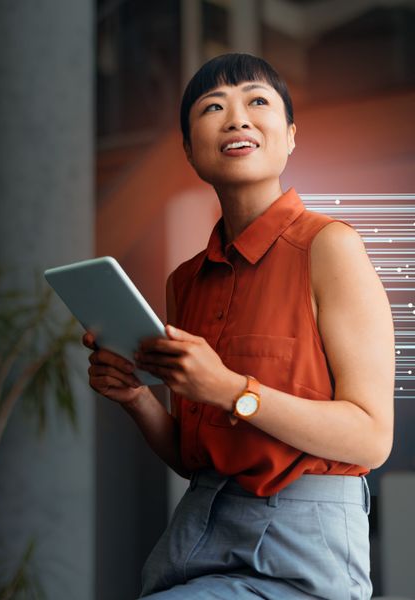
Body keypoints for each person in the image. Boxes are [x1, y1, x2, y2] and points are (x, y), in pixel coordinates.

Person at [82, 53, 395, 599]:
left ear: (291, 135)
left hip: (304, 546)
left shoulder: (330, 248)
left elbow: (370, 438)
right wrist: (135, 397)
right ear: (188, 149)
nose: (237, 118)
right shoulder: (185, 282)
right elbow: (192, 456)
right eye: (212, 108)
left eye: (257, 101)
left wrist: (231, 390)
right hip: (196, 532)